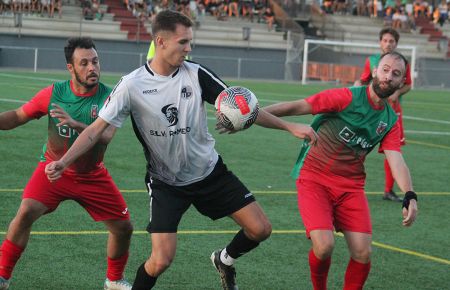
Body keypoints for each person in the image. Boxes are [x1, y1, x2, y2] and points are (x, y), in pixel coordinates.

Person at [44, 10, 317, 290]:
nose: (189, 48)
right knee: (161, 260)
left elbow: (241, 106)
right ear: (161, 42)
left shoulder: (196, 74)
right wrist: (64, 162)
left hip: (210, 173)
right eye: (183, 42)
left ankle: (224, 260)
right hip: (167, 183)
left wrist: (289, 127)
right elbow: (95, 130)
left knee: (261, 229)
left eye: (190, 42)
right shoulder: (132, 85)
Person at [260, 51, 419, 290]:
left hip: (351, 186)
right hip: (315, 177)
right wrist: (253, 115)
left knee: (363, 252)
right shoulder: (346, 97)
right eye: (385, 70)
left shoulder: (389, 119)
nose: (388, 77)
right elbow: (298, 106)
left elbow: (396, 159)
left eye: (396, 74)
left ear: (401, 82)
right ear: (375, 71)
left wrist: (409, 194)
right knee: (324, 246)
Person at [0, 37, 133, 290]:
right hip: (52, 170)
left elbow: (104, 137)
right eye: (84, 63)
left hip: (92, 175)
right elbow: (17, 116)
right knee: (25, 211)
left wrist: (75, 124)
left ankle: (113, 280)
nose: (92, 67)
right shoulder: (53, 93)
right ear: (70, 68)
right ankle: (2, 276)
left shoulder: (110, 96)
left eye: (95, 61)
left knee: (124, 228)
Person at [354, 27, 411, 202]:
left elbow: (408, 85)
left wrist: (397, 93)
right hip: (371, 111)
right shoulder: (371, 61)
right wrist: (356, 87)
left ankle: (388, 190)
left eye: (391, 41)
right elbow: (363, 80)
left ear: (396, 43)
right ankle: (352, 186)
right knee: (358, 145)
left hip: (393, 112)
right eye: (385, 40)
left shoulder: (402, 63)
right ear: (380, 42)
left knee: (393, 151)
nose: (388, 44)